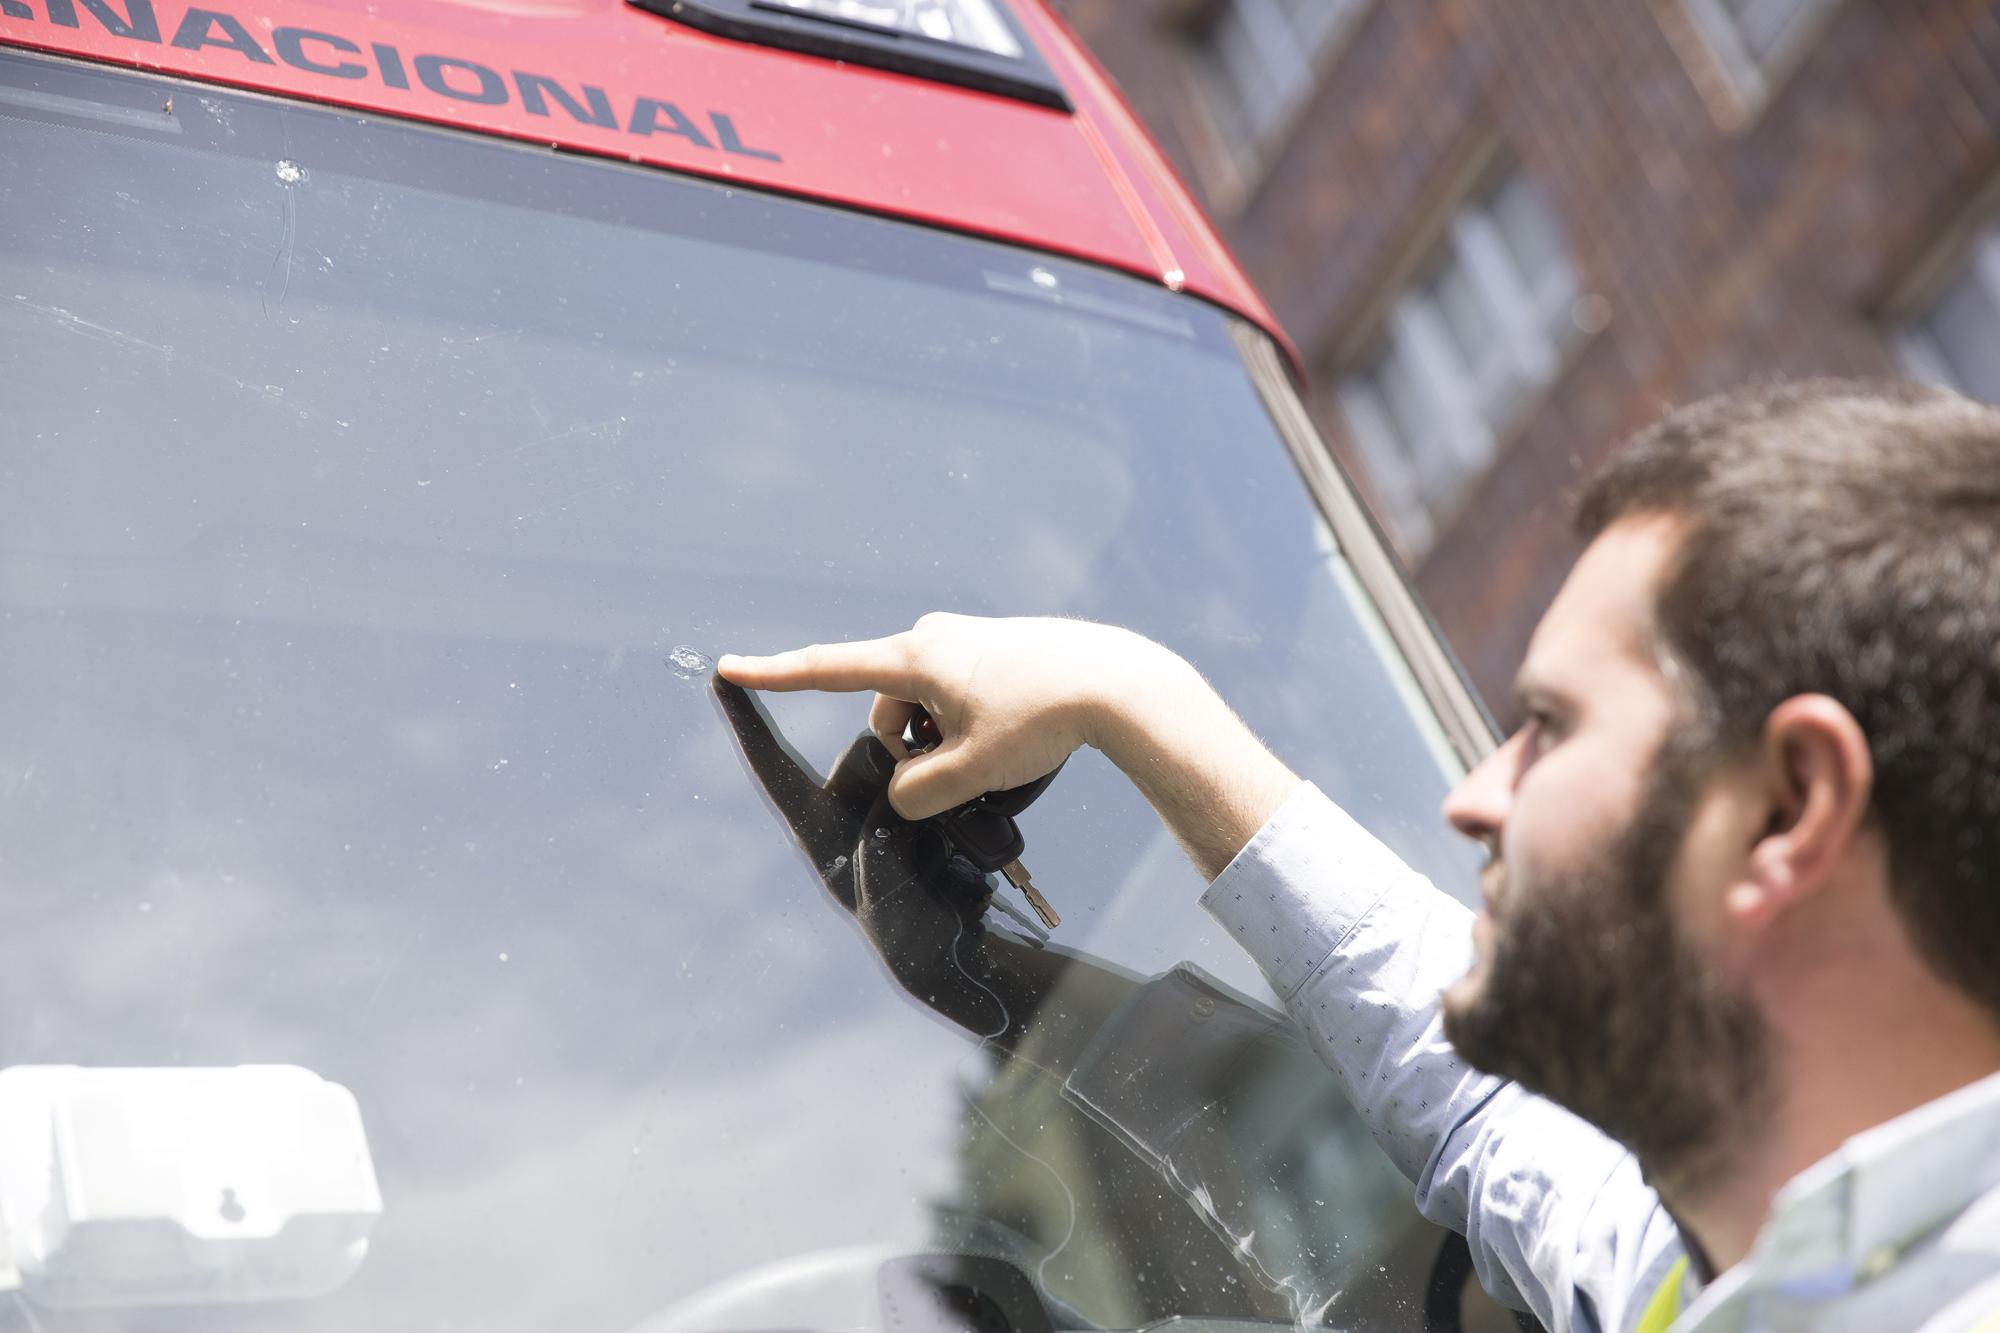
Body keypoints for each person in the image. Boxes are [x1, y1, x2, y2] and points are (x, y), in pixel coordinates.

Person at [717, 379, 2000, 1332]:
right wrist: (1122, 705)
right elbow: (1475, 1105)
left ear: (1786, 807)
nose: (1475, 797)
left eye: (1549, 730)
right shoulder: (1731, 1271)